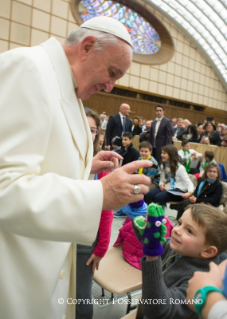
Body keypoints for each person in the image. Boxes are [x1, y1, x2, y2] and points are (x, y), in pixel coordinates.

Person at [0, 16, 153, 319]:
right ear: (86, 47)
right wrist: (99, 194)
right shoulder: (28, 68)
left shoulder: (68, 85)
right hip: (17, 270)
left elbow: (40, 163)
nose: (110, 87)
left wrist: (84, 167)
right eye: (112, 73)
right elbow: (5, 186)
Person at [133, 204, 227, 319]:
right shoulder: (180, 249)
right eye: (180, 223)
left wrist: (152, 254)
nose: (176, 230)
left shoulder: (197, 281)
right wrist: (145, 227)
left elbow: (158, 310)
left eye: (189, 231)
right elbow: (156, 243)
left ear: (207, 251)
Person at [76, 108, 113, 319]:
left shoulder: (101, 166)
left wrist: (101, 247)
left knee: (81, 297)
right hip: (59, 237)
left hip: (85, 240)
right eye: (84, 127)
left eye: (93, 129)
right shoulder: (62, 161)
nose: (89, 133)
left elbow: (106, 212)